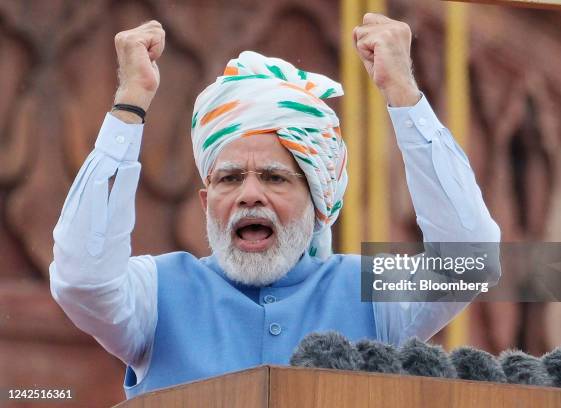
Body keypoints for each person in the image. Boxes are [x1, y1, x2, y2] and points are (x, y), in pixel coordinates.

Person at [49, 13, 500, 399]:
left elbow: (471, 261)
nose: (249, 194)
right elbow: (81, 280)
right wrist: (130, 105)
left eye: (274, 177)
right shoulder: (157, 292)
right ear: (207, 203)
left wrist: (403, 94)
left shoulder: (368, 291)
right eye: (229, 178)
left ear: (318, 201)